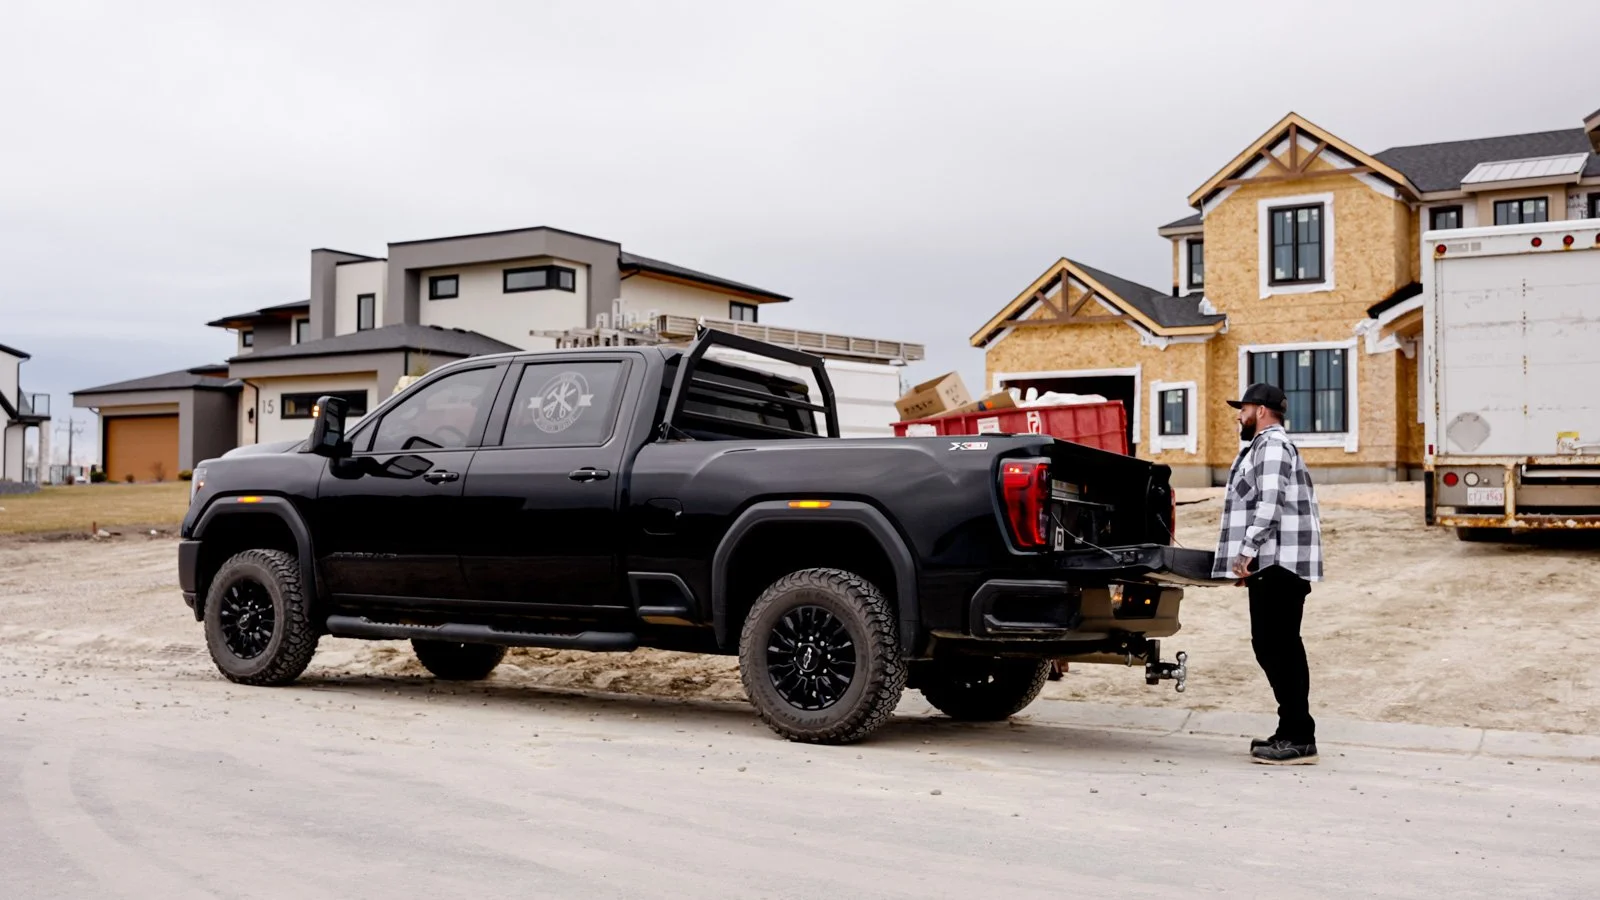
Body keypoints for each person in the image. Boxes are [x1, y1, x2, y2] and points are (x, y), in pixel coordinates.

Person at [1213, 383, 1324, 765]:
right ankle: (1290, 730)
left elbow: (1270, 502)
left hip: (1281, 563)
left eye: (1242, 409)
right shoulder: (1261, 447)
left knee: (1279, 646)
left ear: (1260, 410)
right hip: (1271, 563)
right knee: (1271, 644)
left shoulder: (1272, 445)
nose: (1238, 416)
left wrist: (1246, 552)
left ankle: (1299, 737)